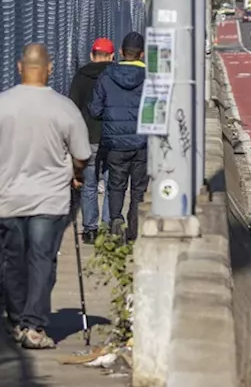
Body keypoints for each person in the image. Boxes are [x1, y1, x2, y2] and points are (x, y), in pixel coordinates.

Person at [0, 43, 91, 349]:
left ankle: (15, 319)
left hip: (7, 196)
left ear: (18, 67)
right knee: (41, 259)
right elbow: (81, 155)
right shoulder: (63, 108)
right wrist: (76, 174)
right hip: (49, 198)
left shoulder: (3, 104)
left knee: (12, 260)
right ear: (50, 69)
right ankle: (34, 326)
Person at [90, 31, 147, 242]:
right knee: (138, 189)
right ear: (141, 54)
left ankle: (115, 221)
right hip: (142, 142)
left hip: (114, 144)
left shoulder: (106, 76)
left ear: (121, 52)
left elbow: (95, 110)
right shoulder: (149, 78)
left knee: (116, 185)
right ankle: (134, 231)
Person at [68, 38, 114, 244]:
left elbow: (73, 108)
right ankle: (107, 226)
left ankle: (90, 229)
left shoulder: (81, 76)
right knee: (112, 183)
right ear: (113, 56)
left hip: (87, 138)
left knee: (89, 185)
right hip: (112, 137)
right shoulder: (116, 75)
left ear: (91, 55)